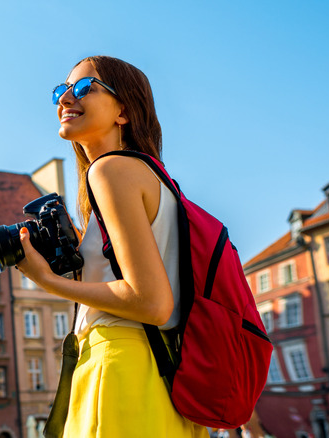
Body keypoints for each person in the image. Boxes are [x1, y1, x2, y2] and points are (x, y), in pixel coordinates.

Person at [16, 56, 208, 436]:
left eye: (84, 88)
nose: (65, 99)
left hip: (117, 370)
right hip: (158, 373)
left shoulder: (110, 170)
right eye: (61, 90)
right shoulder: (155, 177)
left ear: (123, 111)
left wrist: (45, 280)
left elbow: (151, 302)